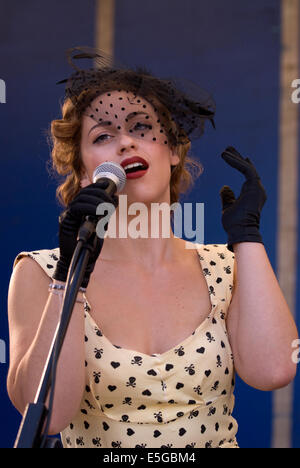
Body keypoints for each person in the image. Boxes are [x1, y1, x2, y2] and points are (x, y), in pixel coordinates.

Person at [7, 47, 298, 449]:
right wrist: (69, 274)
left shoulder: (225, 265)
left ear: (174, 151)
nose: (125, 142)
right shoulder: (40, 272)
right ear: (83, 169)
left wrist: (247, 236)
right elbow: (48, 416)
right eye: (103, 136)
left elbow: (275, 370)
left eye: (142, 128)